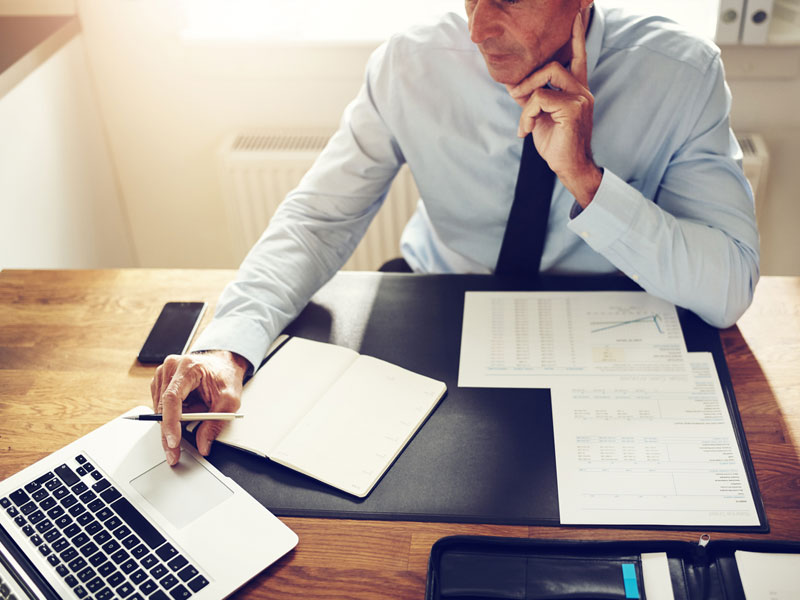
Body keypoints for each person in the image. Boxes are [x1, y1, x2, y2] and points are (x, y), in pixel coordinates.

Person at [151, 0, 759, 465]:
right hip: (435, 308)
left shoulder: (682, 73)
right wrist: (227, 346)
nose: (476, 28)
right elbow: (316, 221)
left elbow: (728, 286)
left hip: (606, 337)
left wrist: (586, 180)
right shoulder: (410, 62)